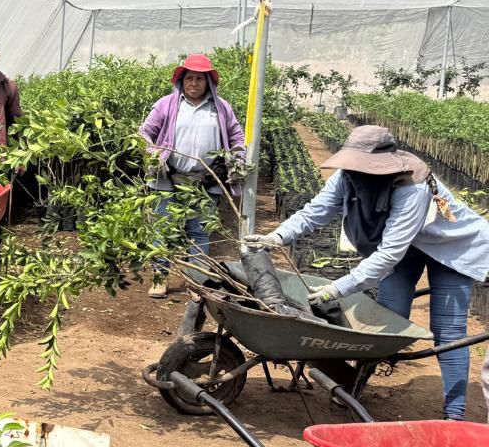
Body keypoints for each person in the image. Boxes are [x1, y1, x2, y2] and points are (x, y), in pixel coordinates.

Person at [248, 125, 489, 421]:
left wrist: (337, 288)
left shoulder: (411, 187)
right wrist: (277, 237)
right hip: (407, 248)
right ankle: (355, 385)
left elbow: (389, 254)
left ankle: (454, 414)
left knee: (447, 331)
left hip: (451, 249)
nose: (356, 172)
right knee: (388, 317)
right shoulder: (347, 177)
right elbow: (315, 211)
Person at [139, 53, 246, 298]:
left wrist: (237, 158)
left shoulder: (221, 108)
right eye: (189, 78)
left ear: (208, 82)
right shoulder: (166, 104)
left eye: (199, 79)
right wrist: (154, 153)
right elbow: (144, 133)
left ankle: (197, 282)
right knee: (164, 229)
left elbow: (236, 136)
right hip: (169, 178)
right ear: (181, 80)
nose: (194, 83)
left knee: (199, 232)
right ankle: (159, 278)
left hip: (206, 181)